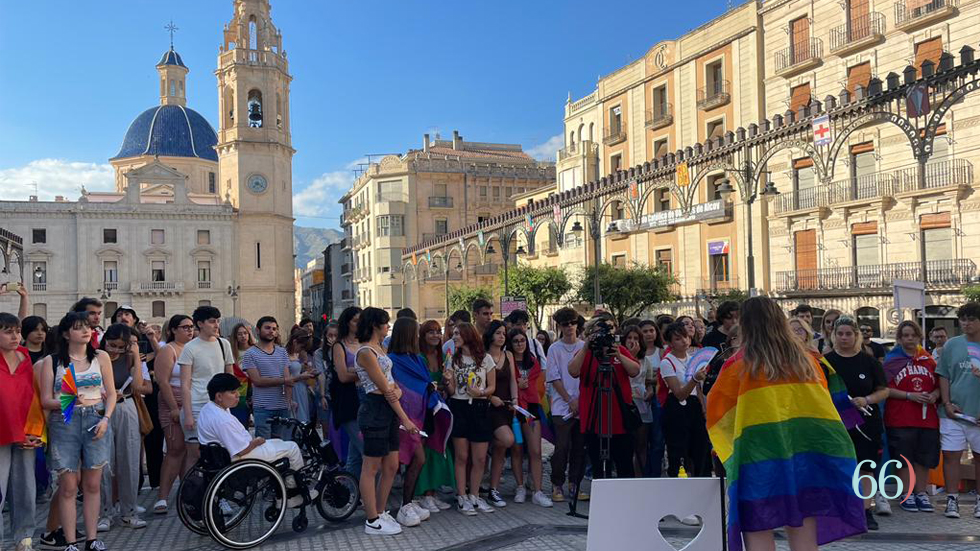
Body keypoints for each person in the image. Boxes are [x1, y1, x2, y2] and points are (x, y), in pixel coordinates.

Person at [706, 297, 866, 551]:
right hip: (805, 456)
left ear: (745, 324)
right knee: (803, 527)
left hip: (758, 457)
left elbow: (717, 413)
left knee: (757, 523)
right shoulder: (808, 361)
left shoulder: (737, 366)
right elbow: (822, 411)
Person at [39, 312, 117, 551]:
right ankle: (70, 542)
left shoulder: (101, 357)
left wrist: (105, 419)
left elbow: (112, 393)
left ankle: (92, 539)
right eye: (78, 327)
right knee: (68, 486)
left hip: (95, 419)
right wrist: (70, 400)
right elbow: (45, 400)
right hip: (65, 422)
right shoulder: (51, 362)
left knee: (93, 484)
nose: (86, 331)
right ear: (65, 333)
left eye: (88, 327)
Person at [197, 373, 313, 509]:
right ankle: (293, 492)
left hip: (220, 455)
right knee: (292, 447)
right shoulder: (222, 420)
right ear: (219, 396)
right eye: (233, 392)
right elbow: (242, 450)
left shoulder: (208, 409)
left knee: (278, 442)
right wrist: (257, 441)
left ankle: (285, 487)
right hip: (241, 457)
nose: (237, 395)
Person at [353, 308, 418, 536]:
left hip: (388, 409)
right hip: (375, 410)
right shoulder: (365, 352)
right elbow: (384, 387)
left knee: (391, 465)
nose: (388, 326)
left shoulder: (381, 349)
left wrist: (397, 391)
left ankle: (380, 511)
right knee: (371, 467)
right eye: (385, 323)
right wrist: (406, 419)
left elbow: (391, 384)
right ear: (375, 325)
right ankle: (371, 519)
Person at [823, 315, 888, 530]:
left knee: (866, 467)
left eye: (848, 334)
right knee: (837, 466)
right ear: (834, 336)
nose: (844, 338)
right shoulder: (826, 362)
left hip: (866, 422)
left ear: (856, 336)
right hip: (835, 422)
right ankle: (839, 508)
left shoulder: (868, 361)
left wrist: (866, 400)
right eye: (840, 334)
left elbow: (883, 390)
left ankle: (865, 509)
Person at [569, 314, 640, 480]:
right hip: (595, 419)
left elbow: (635, 371)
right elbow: (572, 371)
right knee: (598, 465)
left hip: (620, 419)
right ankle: (602, 498)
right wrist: (587, 346)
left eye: (610, 329)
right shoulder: (585, 353)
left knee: (624, 463)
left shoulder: (619, 350)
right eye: (601, 330)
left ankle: (626, 498)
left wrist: (619, 356)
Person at [882, 320, 940, 513]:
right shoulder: (891, 361)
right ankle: (906, 492)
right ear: (899, 338)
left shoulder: (929, 360)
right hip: (900, 417)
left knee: (924, 456)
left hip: (926, 417)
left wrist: (934, 395)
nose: (909, 338)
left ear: (919, 337)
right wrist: (909, 395)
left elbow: (939, 385)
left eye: (912, 335)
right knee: (903, 456)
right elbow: (885, 390)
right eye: (905, 335)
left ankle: (921, 492)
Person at [98, 324, 151, 530]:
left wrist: (136, 357)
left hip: (126, 404)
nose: (115, 351)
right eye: (112, 345)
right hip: (101, 409)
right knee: (103, 462)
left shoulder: (130, 357)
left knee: (129, 458)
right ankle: (105, 512)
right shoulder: (96, 357)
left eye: (121, 347)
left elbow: (138, 386)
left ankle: (128, 510)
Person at [386, 317, 437, 526]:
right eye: (415, 332)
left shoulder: (417, 359)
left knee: (417, 460)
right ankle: (401, 506)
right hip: (402, 417)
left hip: (420, 415)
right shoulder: (392, 359)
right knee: (408, 461)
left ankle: (408, 502)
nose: (418, 336)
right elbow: (397, 387)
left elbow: (422, 383)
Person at [1, 312, 45, 551]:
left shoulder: (27, 358)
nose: (15, 336)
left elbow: (34, 397)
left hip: (27, 432)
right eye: (8, 331)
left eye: (17, 331)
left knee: (25, 488)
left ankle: (24, 538)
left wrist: (35, 431)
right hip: (1, 434)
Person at [445, 322, 497, 515]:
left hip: (480, 407)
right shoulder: (453, 359)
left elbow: (492, 387)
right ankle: (461, 495)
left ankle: (475, 495)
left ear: (467, 335)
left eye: (457, 333)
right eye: (453, 334)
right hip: (459, 407)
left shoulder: (485, 358)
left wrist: (481, 392)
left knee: (480, 457)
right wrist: (447, 380)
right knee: (461, 456)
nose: (454, 337)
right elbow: (451, 391)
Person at [936, 302, 980, 520]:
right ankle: (952, 500)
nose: (966, 323)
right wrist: (947, 403)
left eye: (971, 319)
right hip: (953, 413)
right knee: (951, 456)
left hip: (978, 415)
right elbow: (943, 374)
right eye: (963, 319)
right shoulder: (952, 345)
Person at [178, 306, 234, 468]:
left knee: (222, 451)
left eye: (218, 321)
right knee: (194, 454)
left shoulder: (224, 344)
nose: (216, 325)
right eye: (212, 321)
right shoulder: (190, 348)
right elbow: (185, 383)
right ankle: (190, 491)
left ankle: (216, 490)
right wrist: (188, 414)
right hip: (196, 406)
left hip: (220, 407)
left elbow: (229, 377)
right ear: (200, 324)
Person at [660, 321, 711, 483]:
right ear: (669, 343)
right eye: (678, 339)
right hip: (677, 409)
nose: (684, 341)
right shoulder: (667, 362)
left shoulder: (693, 359)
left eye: (686, 337)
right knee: (678, 449)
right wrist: (694, 379)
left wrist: (704, 410)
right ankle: (679, 483)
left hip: (695, 406)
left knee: (700, 448)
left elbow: (700, 391)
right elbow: (679, 394)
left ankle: (701, 482)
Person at [153, 315, 194, 515]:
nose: (189, 330)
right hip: (172, 399)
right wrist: (174, 408)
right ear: (173, 330)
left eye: (191, 327)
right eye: (185, 327)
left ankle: (188, 493)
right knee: (175, 448)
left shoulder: (195, 348)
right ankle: (163, 497)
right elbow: (162, 381)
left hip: (192, 399)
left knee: (190, 449)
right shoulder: (167, 350)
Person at [507, 327, 553, 507]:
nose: (520, 344)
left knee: (536, 450)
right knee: (517, 449)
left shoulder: (533, 362)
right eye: (516, 341)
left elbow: (535, 386)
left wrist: (523, 386)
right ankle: (520, 486)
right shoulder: (508, 363)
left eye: (522, 341)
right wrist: (517, 386)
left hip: (531, 409)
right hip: (514, 409)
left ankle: (538, 491)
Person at [546, 307, 586, 503]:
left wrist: (579, 400)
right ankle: (557, 484)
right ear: (560, 326)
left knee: (579, 447)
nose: (569, 327)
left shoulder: (584, 346)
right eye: (565, 324)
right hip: (561, 406)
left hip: (583, 405)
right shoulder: (554, 349)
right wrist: (569, 399)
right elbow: (553, 377)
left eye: (572, 322)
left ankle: (575, 485)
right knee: (562, 447)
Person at [414, 320, 454, 512]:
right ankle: (424, 493)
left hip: (440, 408)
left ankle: (433, 492)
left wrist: (447, 382)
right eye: (430, 332)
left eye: (438, 332)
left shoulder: (442, 358)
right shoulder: (419, 357)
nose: (435, 335)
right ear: (423, 335)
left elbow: (446, 387)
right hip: (423, 409)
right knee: (426, 451)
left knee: (439, 449)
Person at [242, 317, 291, 440]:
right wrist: (285, 380)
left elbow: (287, 378)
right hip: (263, 408)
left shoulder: (282, 352)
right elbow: (257, 381)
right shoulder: (250, 353)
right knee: (265, 445)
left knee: (281, 445)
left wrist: (289, 401)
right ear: (258, 330)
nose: (271, 331)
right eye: (267, 328)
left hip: (282, 406)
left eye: (274, 329)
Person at [485, 320, 517, 509]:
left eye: (504, 333)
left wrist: (515, 400)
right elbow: (480, 383)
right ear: (490, 335)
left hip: (506, 406)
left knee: (501, 447)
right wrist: (490, 397)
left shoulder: (509, 355)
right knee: (507, 439)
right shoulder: (483, 356)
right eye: (498, 333)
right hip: (489, 407)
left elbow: (513, 379)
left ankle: (493, 488)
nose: (502, 336)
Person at [331, 307, 364, 479]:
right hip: (348, 402)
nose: (359, 324)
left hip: (364, 400)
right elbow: (343, 376)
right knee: (364, 449)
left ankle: (349, 491)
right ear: (347, 323)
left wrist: (355, 370)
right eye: (355, 321)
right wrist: (365, 372)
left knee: (355, 454)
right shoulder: (339, 346)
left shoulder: (364, 343)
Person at [620, 325, 652, 476]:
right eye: (629, 338)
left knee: (641, 443)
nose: (632, 341)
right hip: (625, 403)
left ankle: (640, 474)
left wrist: (650, 392)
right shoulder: (619, 358)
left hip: (641, 403)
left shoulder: (646, 361)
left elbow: (648, 382)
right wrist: (629, 355)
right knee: (626, 443)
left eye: (636, 338)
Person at [638, 319, 666, 477]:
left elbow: (664, 377)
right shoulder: (636, 352)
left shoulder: (662, 352)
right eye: (645, 331)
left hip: (657, 400)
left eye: (651, 330)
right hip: (639, 399)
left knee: (657, 439)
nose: (649, 334)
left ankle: (655, 474)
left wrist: (651, 380)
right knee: (641, 441)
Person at [313, 322, 338, 440]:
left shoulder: (341, 351)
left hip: (339, 393)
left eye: (335, 335)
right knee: (326, 426)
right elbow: (321, 374)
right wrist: (322, 395)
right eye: (330, 335)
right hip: (325, 392)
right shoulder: (318, 353)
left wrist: (335, 349)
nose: (332, 338)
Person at [285, 328, 316, 424]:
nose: (302, 350)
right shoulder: (284, 354)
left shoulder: (296, 354)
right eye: (301, 347)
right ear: (295, 342)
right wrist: (301, 376)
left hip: (300, 388)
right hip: (293, 389)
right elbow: (286, 377)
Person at [229, 323, 254, 428]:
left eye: (245, 333)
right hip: (240, 389)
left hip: (254, 386)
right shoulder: (231, 352)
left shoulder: (255, 349)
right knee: (239, 422)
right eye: (239, 334)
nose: (243, 336)